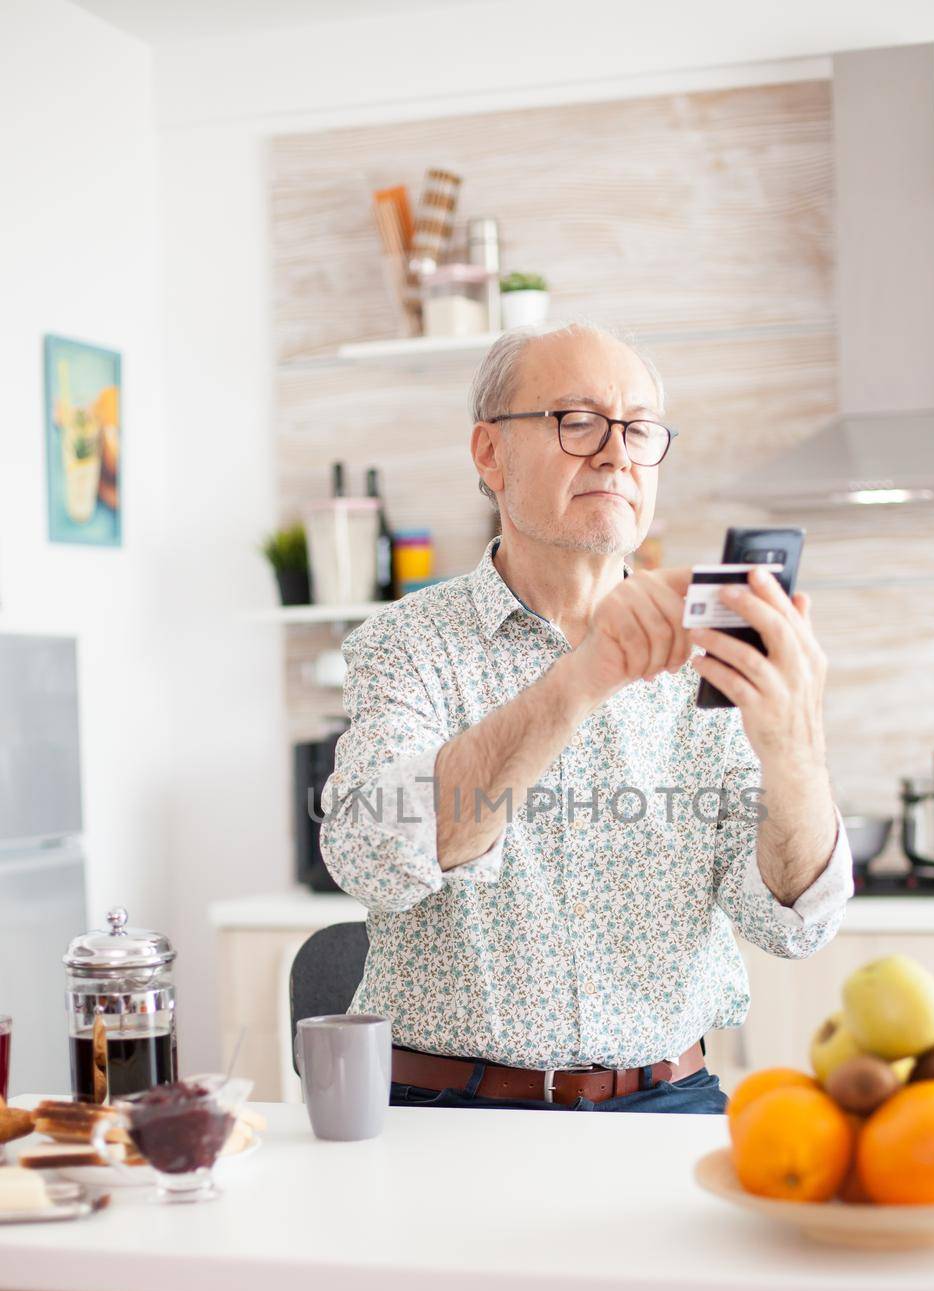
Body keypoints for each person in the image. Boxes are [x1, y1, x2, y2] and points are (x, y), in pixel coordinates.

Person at [320, 319, 853, 1113]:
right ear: (488, 452)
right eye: (576, 421)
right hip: (447, 1110)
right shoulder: (404, 644)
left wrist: (793, 750)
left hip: (669, 1101)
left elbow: (790, 926)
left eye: (638, 430)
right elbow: (371, 854)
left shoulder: (709, 648)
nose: (615, 453)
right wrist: (580, 678)